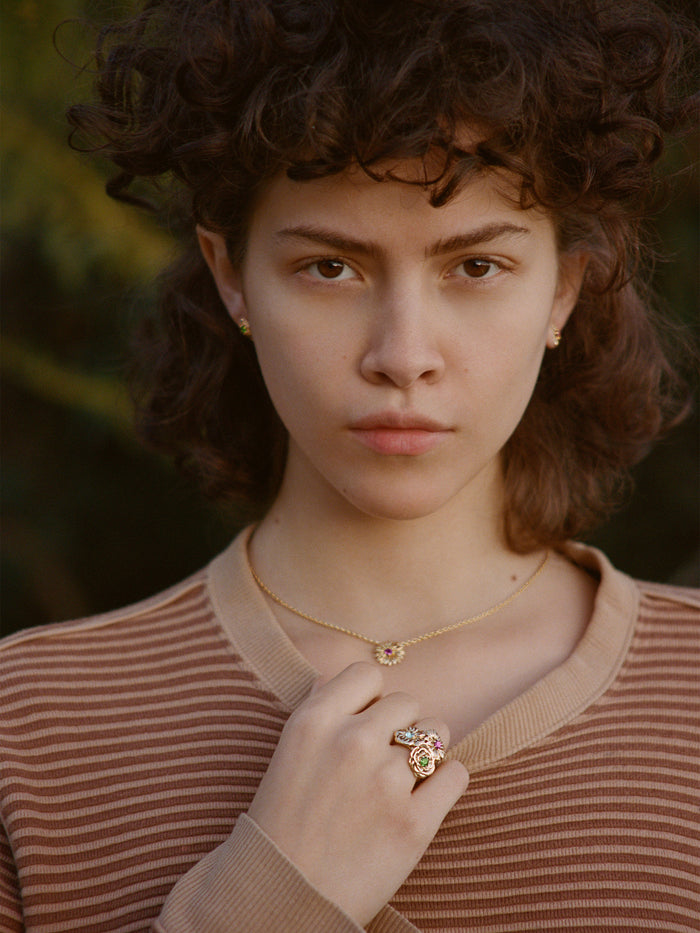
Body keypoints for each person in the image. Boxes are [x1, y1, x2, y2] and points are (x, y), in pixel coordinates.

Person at [1, 0, 698, 930]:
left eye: (477, 267)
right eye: (331, 267)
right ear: (231, 274)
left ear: (562, 291)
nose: (403, 354)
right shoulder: (28, 730)